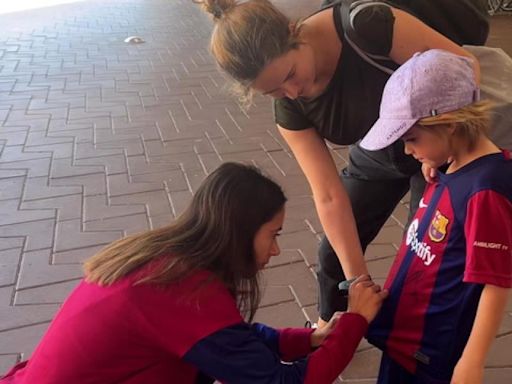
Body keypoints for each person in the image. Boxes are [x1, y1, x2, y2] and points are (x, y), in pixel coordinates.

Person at [195, 0, 481, 327]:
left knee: (424, 253)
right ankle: (328, 330)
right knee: (333, 257)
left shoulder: (367, 25)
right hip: (377, 150)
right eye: (273, 91)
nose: (292, 91)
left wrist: (451, 150)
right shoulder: (291, 109)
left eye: (290, 74)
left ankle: (424, 343)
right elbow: (328, 195)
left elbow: (465, 67)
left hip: (436, 142)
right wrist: (358, 282)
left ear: (294, 33)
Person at [1, 162, 387, 384]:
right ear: (238, 230)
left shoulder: (169, 257)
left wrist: (312, 339)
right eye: (273, 235)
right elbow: (282, 383)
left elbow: (226, 339)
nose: (276, 250)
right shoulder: (188, 290)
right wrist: (354, 323)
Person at [359, 49, 512, 384]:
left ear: (451, 124)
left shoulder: (485, 189)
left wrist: (473, 361)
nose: (407, 150)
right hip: (407, 339)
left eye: (412, 139)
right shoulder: (453, 163)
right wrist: (437, 161)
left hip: (431, 353)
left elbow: (495, 282)